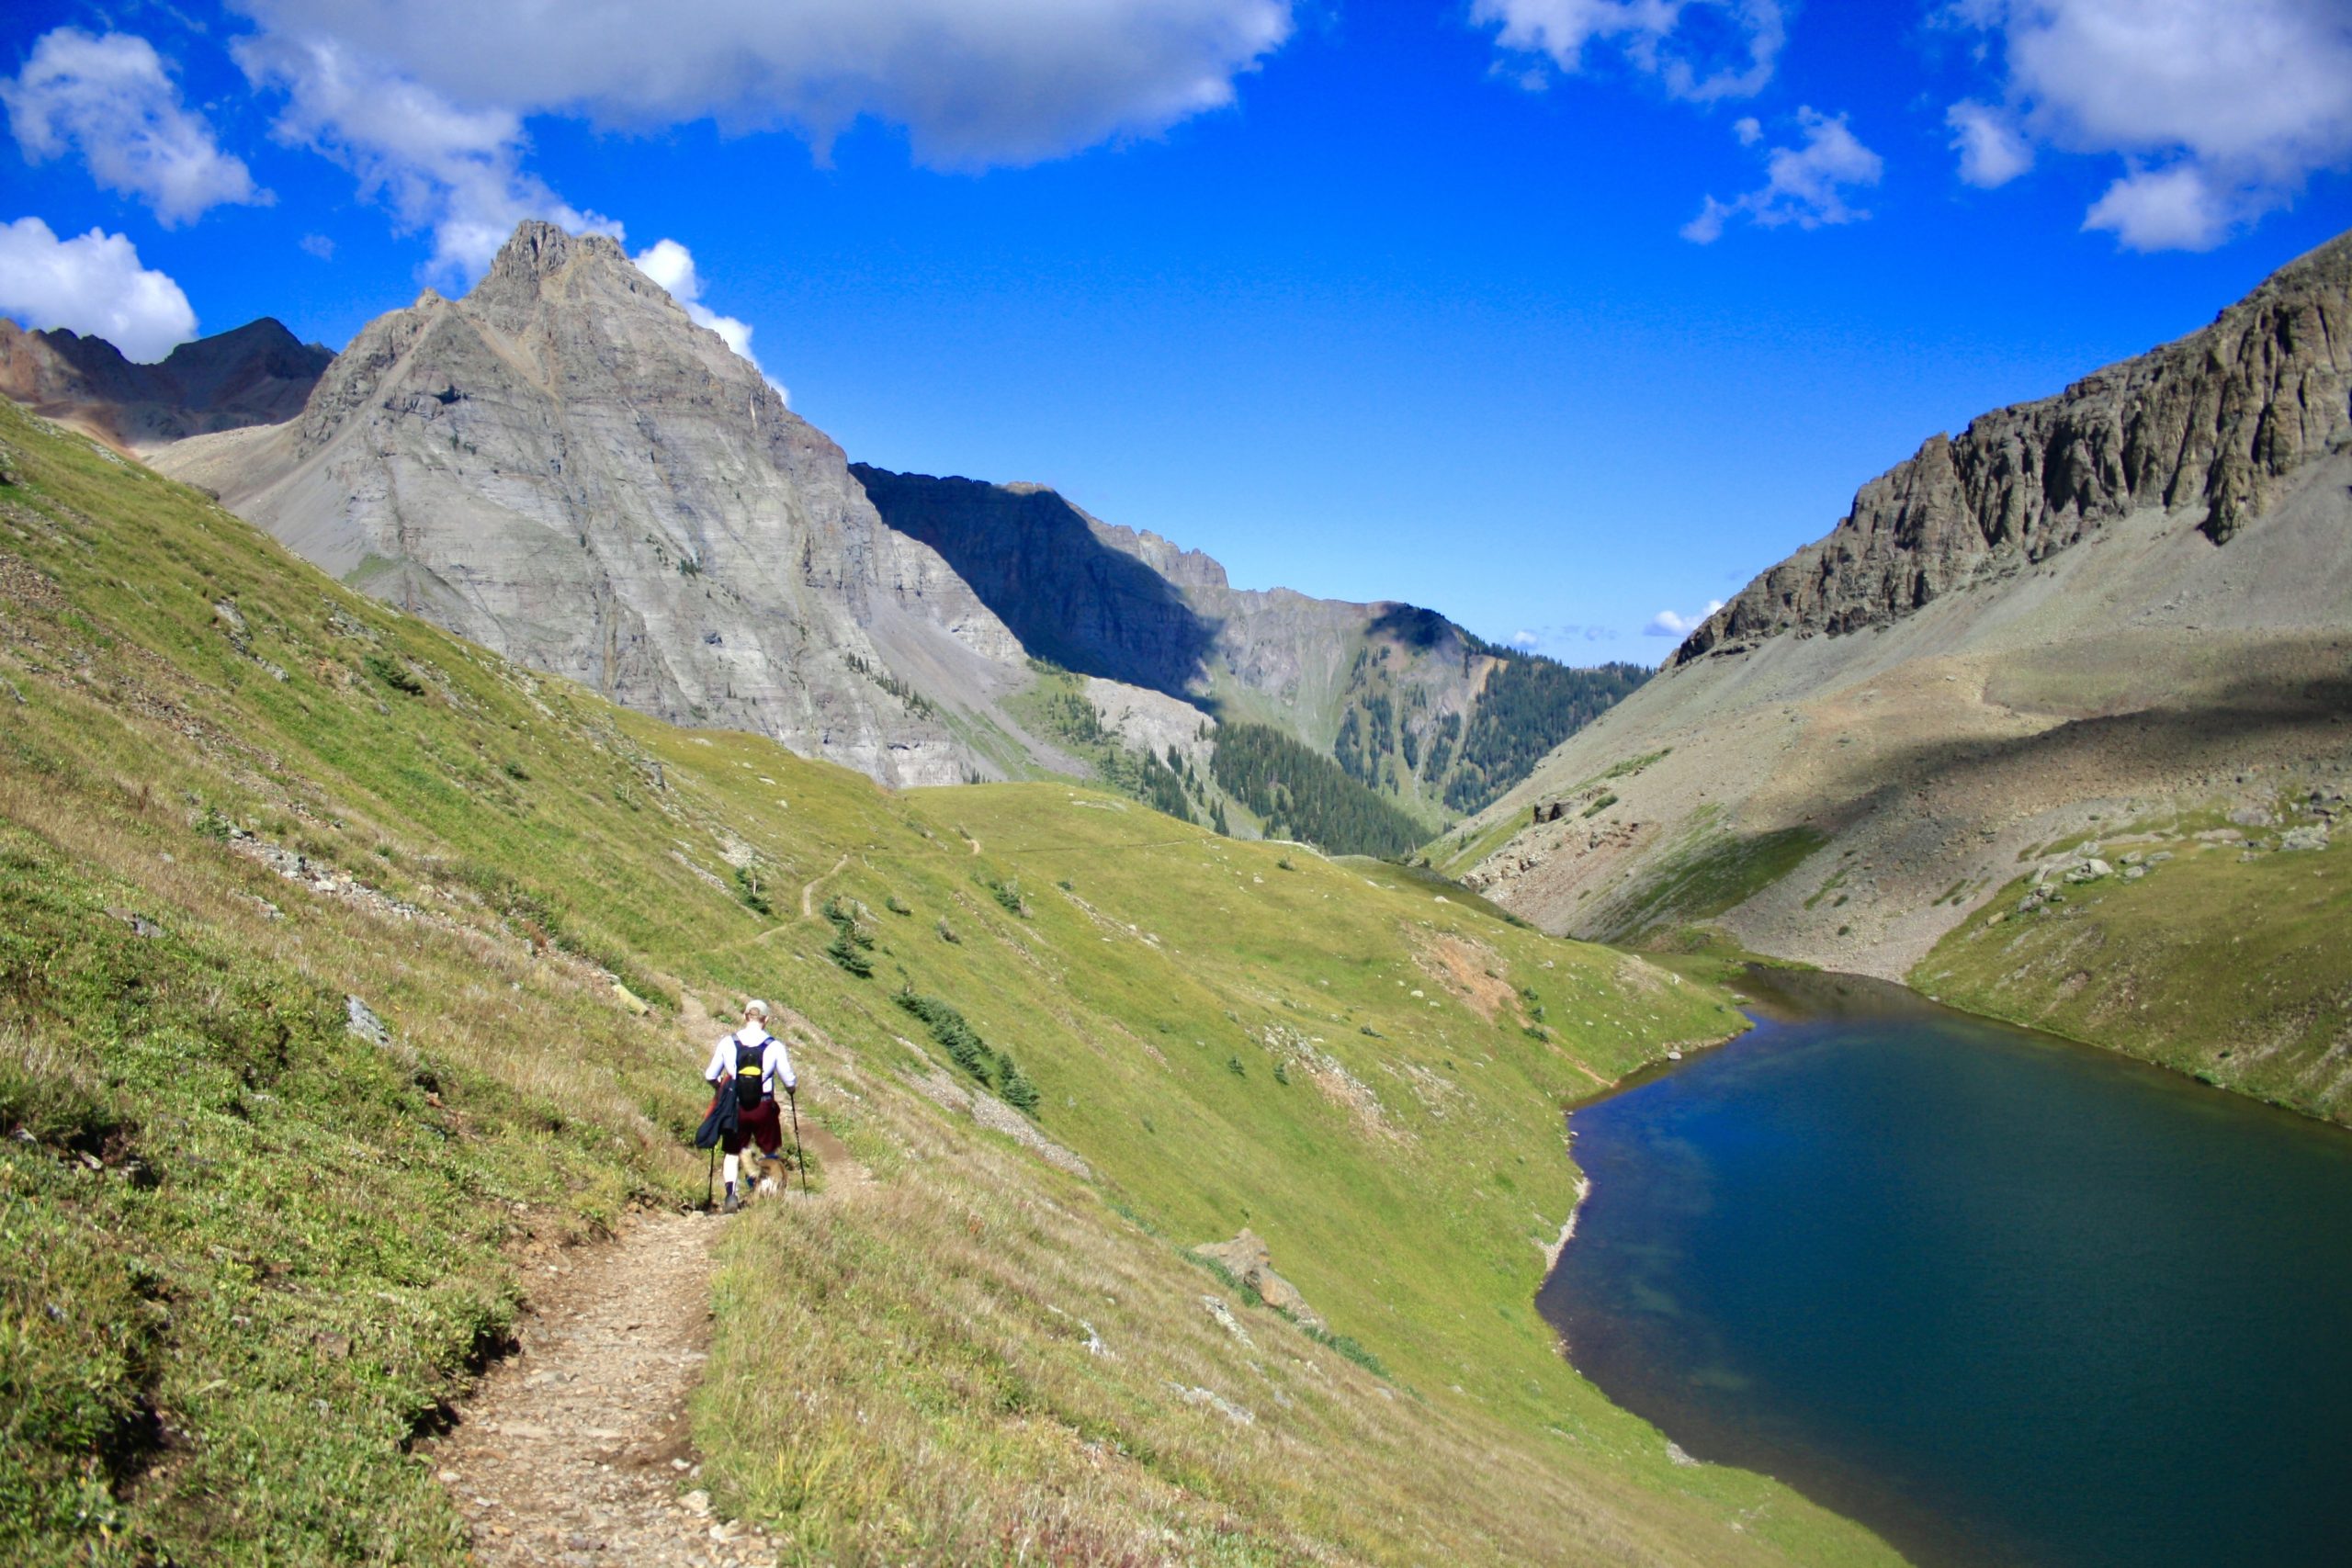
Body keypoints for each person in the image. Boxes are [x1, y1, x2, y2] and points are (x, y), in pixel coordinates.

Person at [704, 998, 796, 1213]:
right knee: (769, 1150)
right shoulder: (774, 1046)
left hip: (736, 1106)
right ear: (766, 1020)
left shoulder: (728, 1042)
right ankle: (764, 1190)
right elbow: (789, 1081)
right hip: (764, 1107)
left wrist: (720, 1089)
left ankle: (730, 1196)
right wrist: (791, 1091)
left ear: (745, 1016)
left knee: (732, 1152)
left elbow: (710, 1075)